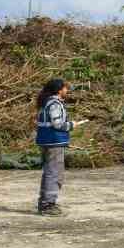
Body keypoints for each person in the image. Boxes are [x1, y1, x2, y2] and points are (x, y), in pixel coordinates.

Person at [35, 78, 82, 216]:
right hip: (53, 142)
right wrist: (72, 125)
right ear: (59, 90)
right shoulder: (54, 104)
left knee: (50, 172)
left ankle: (45, 202)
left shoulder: (45, 103)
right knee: (54, 173)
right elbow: (57, 124)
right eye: (65, 88)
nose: (67, 90)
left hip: (47, 141)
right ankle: (48, 205)